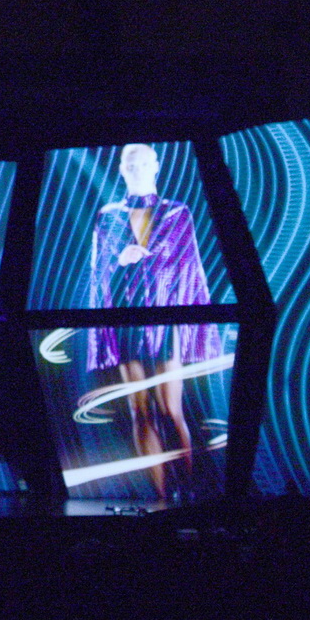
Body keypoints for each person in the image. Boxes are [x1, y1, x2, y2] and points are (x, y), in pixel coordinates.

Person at [88, 143, 223, 497]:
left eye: (144, 164)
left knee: (170, 408)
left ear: (157, 166)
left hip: (166, 320)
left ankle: (188, 493)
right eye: (131, 165)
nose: (138, 170)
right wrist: (120, 259)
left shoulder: (177, 213)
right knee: (140, 411)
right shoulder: (108, 216)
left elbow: (189, 268)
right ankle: (160, 498)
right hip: (126, 320)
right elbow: (98, 273)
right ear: (121, 169)